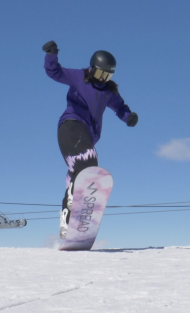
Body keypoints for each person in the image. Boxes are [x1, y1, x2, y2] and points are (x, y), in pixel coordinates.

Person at [42, 41, 138, 239]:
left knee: (81, 170)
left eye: (107, 75)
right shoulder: (79, 77)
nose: (102, 79)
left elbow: (120, 107)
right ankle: (72, 196)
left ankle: (68, 220)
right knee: (87, 159)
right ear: (92, 69)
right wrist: (51, 55)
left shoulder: (109, 91)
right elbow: (55, 72)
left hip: (88, 135)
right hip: (71, 125)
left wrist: (129, 117)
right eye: (100, 74)